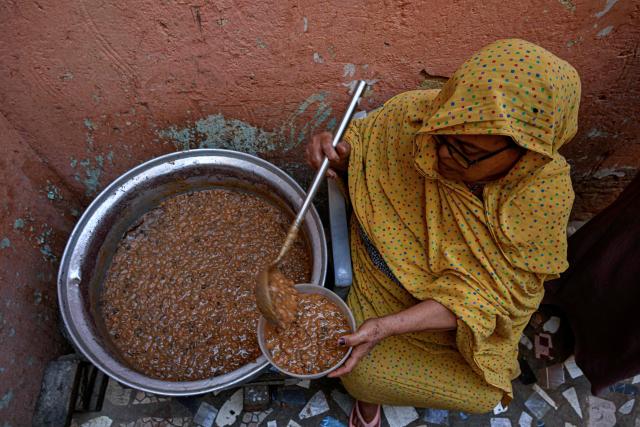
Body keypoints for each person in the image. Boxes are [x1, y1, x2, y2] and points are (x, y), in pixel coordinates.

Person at [305, 39, 580, 426]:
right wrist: (344, 155)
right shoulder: (415, 116)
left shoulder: (542, 199)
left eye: (467, 152)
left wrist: (386, 329)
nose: (444, 155)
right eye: (444, 136)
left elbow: (500, 298)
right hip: (380, 281)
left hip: (455, 313)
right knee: (360, 373)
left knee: (484, 394)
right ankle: (369, 398)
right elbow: (367, 155)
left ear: (527, 155)